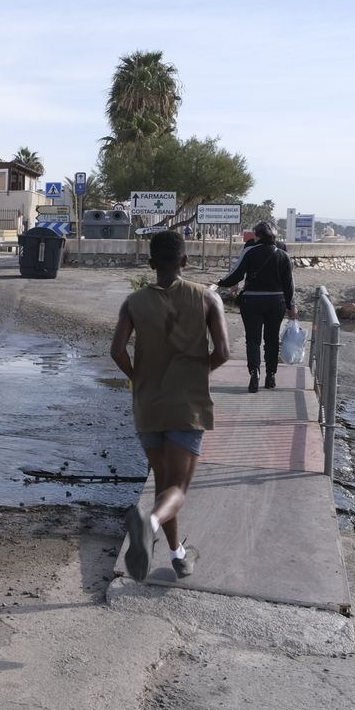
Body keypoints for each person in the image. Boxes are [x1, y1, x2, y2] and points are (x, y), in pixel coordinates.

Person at [109, 230, 231, 581]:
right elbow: (223, 352)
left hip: (148, 404)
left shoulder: (133, 302)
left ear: (150, 264)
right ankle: (148, 523)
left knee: (165, 486)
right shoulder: (207, 298)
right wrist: (195, 372)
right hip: (186, 406)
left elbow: (116, 351)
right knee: (177, 490)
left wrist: (137, 377)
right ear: (185, 261)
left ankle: (178, 555)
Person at [217, 219, 296, 392]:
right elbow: (289, 284)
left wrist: (221, 283)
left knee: (253, 340)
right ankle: (271, 375)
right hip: (276, 302)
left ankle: (254, 372)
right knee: (272, 339)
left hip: (252, 301)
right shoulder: (283, 255)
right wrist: (292, 306)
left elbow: (236, 274)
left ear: (258, 235)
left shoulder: (250, 251)